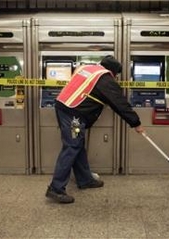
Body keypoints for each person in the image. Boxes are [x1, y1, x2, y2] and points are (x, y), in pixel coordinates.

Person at [45, 55, 145, 204]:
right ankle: (56, 188)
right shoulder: (104, 78)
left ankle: (85, 179)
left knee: (77, 145)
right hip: (74, 115)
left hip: (65, 108)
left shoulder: (88, 68)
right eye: (116, 75)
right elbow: (119, 103)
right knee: (72, 146)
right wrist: (136, 123)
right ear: (113, 72)